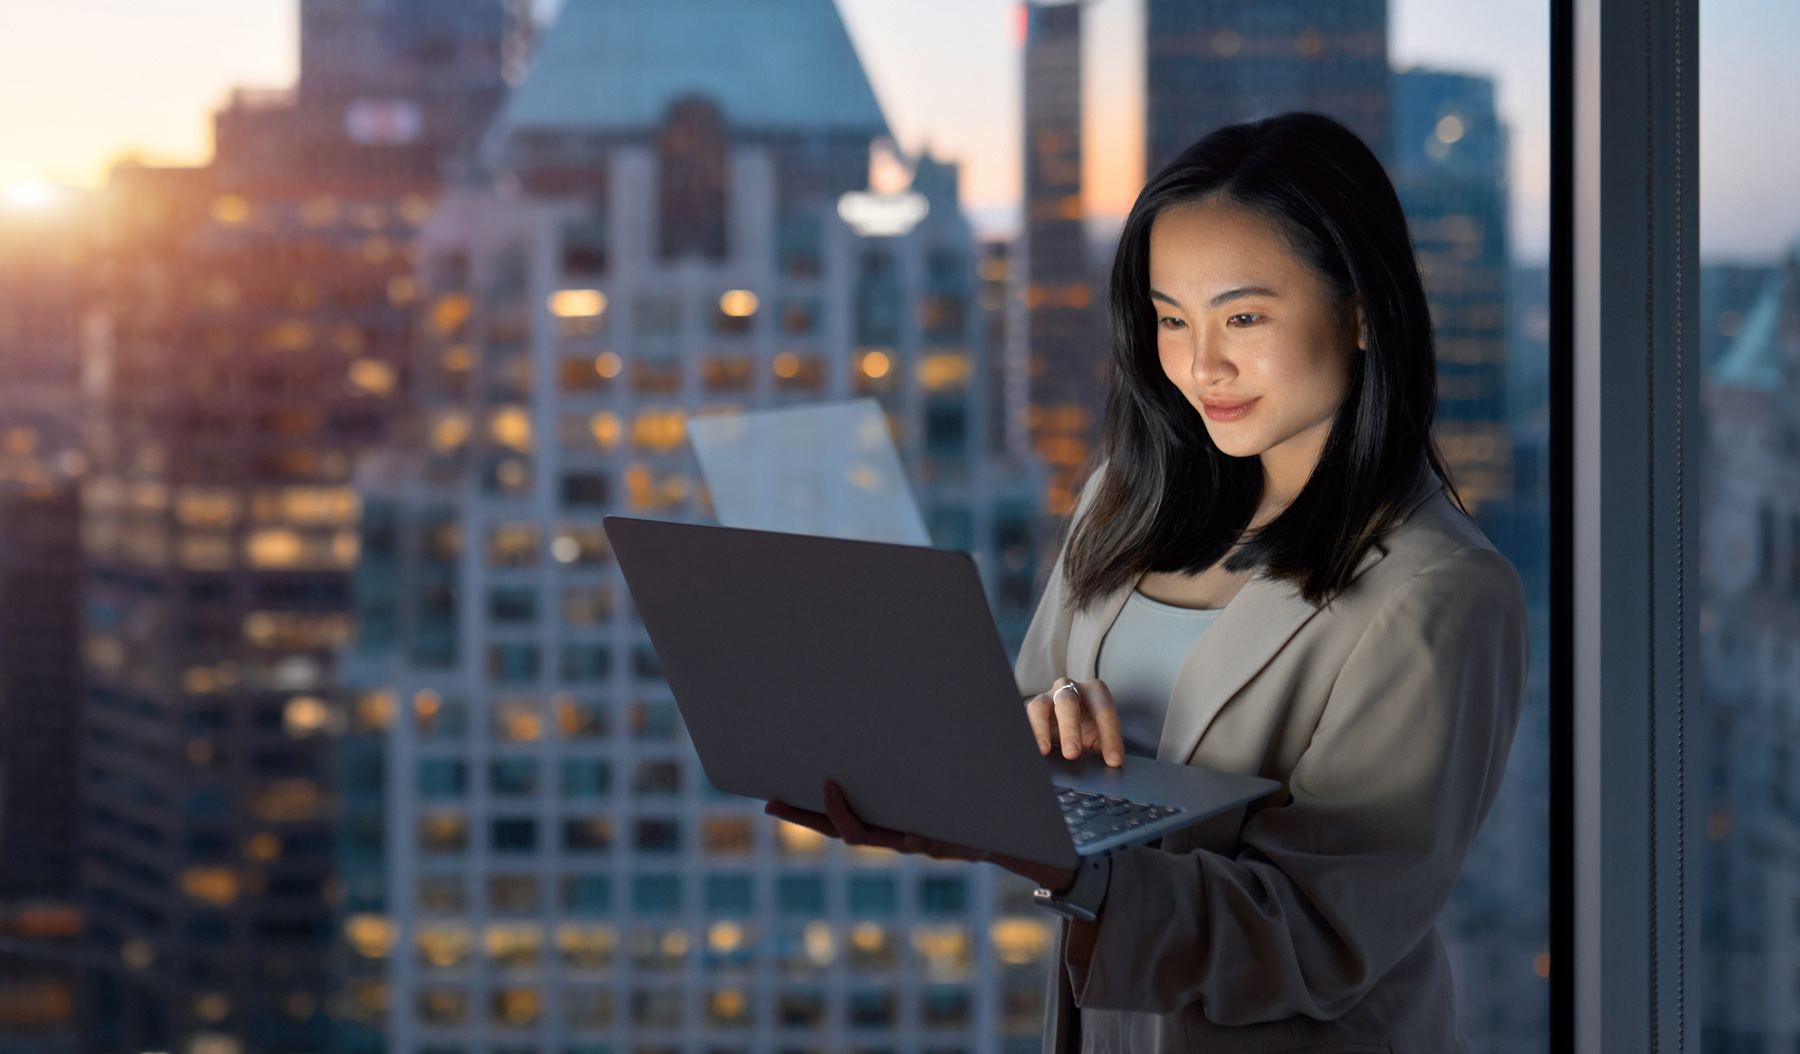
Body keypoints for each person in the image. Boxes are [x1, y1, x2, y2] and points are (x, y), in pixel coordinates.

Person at [768, 112, 1528, 1053]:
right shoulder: (1122, 502)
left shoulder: (1442, 590)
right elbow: (1025, 724)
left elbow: (1316, 934)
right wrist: (974, 781)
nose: (1201, 366)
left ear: (1363, 310)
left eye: (1243, 317)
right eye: (1172, 319)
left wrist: (1055, 852)